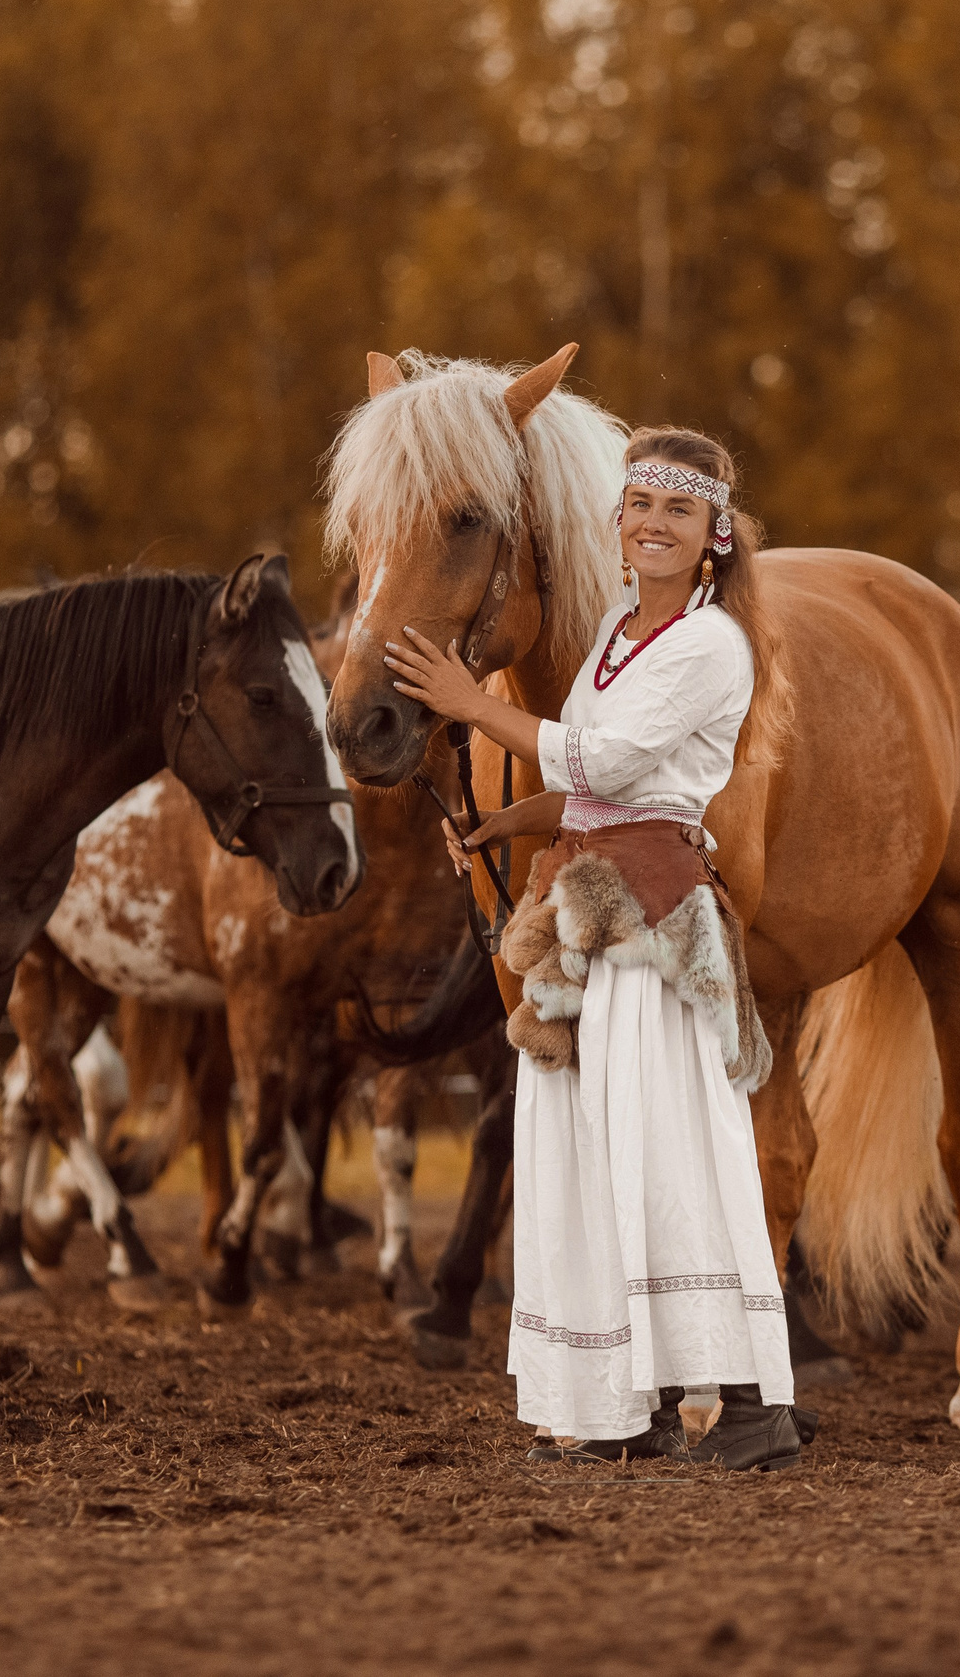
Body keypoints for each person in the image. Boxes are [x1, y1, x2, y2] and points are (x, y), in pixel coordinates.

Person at [382, 426, 804, 1470]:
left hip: (653, 918)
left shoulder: (715, 645)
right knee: (580, 1149)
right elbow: (590, 785)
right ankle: (621, 1410)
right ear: (617, 523)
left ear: (713, 536)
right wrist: (503, 825)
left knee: (664, 1143)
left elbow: (615, 758)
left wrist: (472, 705)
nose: (653, 525)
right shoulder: (618, 625)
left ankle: (750, 1404)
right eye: (640, 507)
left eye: (678, 511)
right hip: (582, 902)